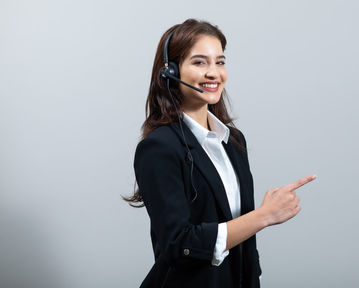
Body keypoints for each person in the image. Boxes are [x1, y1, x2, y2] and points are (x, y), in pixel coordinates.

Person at [123, 18, 316, 288]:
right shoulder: (159, 147)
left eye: (220, 62)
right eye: (200, 62)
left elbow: (244, 244)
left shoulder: (233, 141)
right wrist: (264, 216)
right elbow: (179, 244)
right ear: (170, 71)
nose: (214, 72)